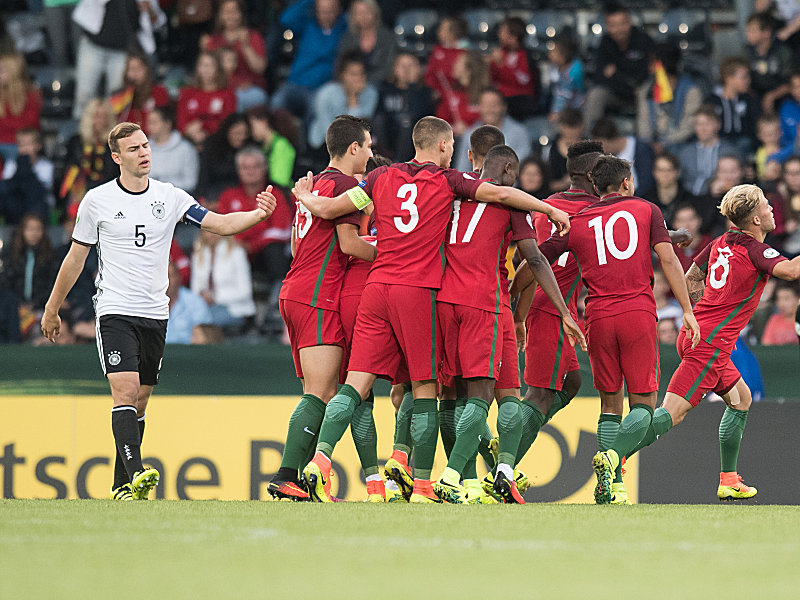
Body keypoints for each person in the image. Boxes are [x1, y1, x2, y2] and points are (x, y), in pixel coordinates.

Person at [292, 115, 571, 503]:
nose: (453, 154)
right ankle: (423, 484)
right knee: (424, 388)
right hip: (418, 291)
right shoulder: (449, 181)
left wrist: (303, 196)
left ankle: (320, 461)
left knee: (356, 382)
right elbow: (504, 196)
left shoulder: (377, 178)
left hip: (376, 287)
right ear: (443, 146)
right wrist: (550, 210)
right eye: (452, 148)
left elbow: (329, 209)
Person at [40, 121, 277, 502]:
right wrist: (52, 309)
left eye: (146, 145)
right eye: (133, 149)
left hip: (156, 312)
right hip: (115, 309)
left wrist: (257, 215)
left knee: (142, 397)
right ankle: (136, 472)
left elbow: (218, 223)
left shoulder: (170, 197)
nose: (144, 152)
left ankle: (122, 487)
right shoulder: (97, 201)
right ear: (116, 157)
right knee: (125, 389)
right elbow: (75, 259)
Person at [538, 154, 700, 505]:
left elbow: (536, 258)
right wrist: (686, 309)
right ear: (627, 182)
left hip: (597, 317)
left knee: (610, 405)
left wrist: (522, 303)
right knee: (643, 405)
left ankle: (612, 487)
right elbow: (669, 258)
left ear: (595, 188)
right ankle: (613, 462)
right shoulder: (646, 210)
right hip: (637, 314)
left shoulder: (578, 219)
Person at [621, 184, 800, 501]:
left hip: (696, 333)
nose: (772, 209)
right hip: (710, 344)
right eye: (766, 206)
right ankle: (613, 454)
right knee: (672, 413)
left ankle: (729, 479)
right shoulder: (755, 250)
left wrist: (703, 310)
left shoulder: (721, 242)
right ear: (755, 220)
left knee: (740, 398)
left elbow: (691, 277)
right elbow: (790, 270)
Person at [431, 145, 585, 505]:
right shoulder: (513, 204)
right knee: (489, 394)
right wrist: (564, 311)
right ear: (510, 169)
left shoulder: (454, 194)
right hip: (484, 302)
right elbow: (535, 260)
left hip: (445, 300)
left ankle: (497, 475)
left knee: (482, 391)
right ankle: (452, 477)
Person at [267, 115, 377, 501]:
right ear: (352, 149)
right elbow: (348, 244)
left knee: (320, 392)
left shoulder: (317, 185)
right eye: (367, 146)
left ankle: (303, 482)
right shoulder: (350, 187)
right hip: (318, 294)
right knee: (321, 392)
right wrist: (388, 254)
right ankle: (286, 475)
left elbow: (299, 246)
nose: (370, 152)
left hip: (296, 289)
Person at [511, 141, 603, 478]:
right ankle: (503, 462)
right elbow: (533, 264)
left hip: (547, 304)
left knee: (573, 382)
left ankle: (515, 437)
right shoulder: (595, 210)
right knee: (540, 393)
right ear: (594, 176)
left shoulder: (546, 206)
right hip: (552, 306)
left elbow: (532, 255)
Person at [217, 147, 294, 311]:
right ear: (238, 170)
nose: (250, 171)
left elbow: (282, 231)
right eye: (245, 167)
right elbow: (219, 226)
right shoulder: (228, 196)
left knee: (274, 249)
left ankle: (278, 298)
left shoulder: (276, 194)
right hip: (236, 252)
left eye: (256, 166)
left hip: (265, 255)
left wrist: (252, 245)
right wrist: (237, 243)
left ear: (264, 168)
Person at [71, 0, 166, 119]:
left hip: (121, 52)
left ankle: (109, 134)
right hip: (93, 46)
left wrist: (149, 10)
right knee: (84, 95)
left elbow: (158, 22)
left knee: (115, 99)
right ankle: (80, 134)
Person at [271, 0, 347, 119]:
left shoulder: (343, 28)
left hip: (321, 88)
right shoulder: (308, 24)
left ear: (338, 10)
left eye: (330, 11)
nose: (326, 15)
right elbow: (285, 19)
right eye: (322, 11)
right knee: (276, 102)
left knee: (315, 111)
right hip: (295, 84)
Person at [582, 3, 654, 129]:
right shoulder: (605, 43)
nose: (619, 29)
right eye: (614, 25)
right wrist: (626, 78)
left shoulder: (643, 40)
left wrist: (616, 73)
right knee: (595, 94)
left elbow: (645, 74)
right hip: (617, 93)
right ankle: (590, 142)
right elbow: (600, 77)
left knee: (644, 91)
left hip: (640, 92)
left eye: (623, 23)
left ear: (629, 22)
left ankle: (644, 142)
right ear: (607, 26)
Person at [201, 0, 268, 111]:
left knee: (248, 98)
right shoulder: (213, 40)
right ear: (220, 15)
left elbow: (260, 68)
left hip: (248, 91)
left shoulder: (253, 36)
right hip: (221, 90)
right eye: (226, 12)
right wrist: (204, 51)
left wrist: (246, 46)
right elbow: (206, 72)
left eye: (234, 12)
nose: (230, 16)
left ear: (241, 14)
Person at [636, 43, 703, 151]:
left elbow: (689, 126)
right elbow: (643, 123)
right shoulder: (646, 89)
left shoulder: (690, 91)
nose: (649, 67)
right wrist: (648, 143)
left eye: (653, 62)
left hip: (680, 142)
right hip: (653, 143)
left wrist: (666, 142)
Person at [0, 213, 56, 341]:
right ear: (23, 231)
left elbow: (51, 284)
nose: (34, 233)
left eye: (38, 229)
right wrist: (19, 304)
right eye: (30, 229)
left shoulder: (50, 256)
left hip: (41, 309)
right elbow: (6, 282)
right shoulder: (10, 254)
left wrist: (34, 304)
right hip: (15, 309)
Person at [373, 52, 435, 163]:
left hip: (413, 136)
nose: (407, 70)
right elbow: (379, 114)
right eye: (402, 66)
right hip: (389, 134)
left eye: (411, 66)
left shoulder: (424, 92)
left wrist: (411, 87)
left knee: (406, 122)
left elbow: (418, 113)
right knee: (378, 121)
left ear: (418, 69)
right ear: (395, 69)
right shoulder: (386, 88)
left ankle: (398, 164)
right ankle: (384, 159)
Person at [307, 53, 378, 149]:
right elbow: (327, 130)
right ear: (342, 75)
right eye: (353, 74)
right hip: (323, 143)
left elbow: (361, 127)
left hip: (356, 146)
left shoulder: (370, 93)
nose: (357, 79)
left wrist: (353, 98)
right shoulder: (326, 93)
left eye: (361, 74)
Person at [190, 228, 256, 330]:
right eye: (207, 231)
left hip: (235, 309)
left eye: (214, 230)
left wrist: (215, 298)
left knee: (203, 323)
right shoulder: (198, 255)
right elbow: (195, 289)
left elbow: (245, 292)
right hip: (206, 307)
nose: (211, 235)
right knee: (187, 320)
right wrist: (202, 298)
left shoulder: (237, 253)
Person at [58, 98, 118, 210]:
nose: (101, 120)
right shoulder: (76, 142)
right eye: (97, 116)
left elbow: (114, 174)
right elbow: (70, 171)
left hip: (106, 196)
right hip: (79, 194)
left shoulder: (114, 144)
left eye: (104, 116)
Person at [454, 88, 530, 172]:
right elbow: (462, 171)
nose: (489, 110)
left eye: (494, 105)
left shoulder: (519, 133)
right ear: (479, 107)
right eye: (486, 105)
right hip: (477, 184)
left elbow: (522, 170)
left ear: (503, 107)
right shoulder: (469, 136)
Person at [177, 50, 237, 147]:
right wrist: (189, 131)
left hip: (217, 143)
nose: (206, 69)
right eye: (202, 65)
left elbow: (227, 124)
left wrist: (204, 127)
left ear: (218, 69)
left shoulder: (227, 94)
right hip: (189, 141)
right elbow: (181, 123)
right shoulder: (187, 93)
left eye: (210, 65)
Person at [677, 105, 740, 196]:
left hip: (720, 198)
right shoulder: (685, 152)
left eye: (707, 124)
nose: (703, 128)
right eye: (699, 124)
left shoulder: (730, 150)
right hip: (689, 199)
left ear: (718, 125)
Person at [707, 57, 760, 157]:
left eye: (748, 77)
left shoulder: (749, 100)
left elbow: (756, 126)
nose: (748, 80)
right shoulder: (712, 101)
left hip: (745, 145)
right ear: (728, 78)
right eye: (744, 77)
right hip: (719, 144)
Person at [591, 117, 656, 199]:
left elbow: (647, 183)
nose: (603, 150)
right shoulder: (606, 157)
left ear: (613, 140)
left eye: (604, 146)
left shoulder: (641, 149)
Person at [336, 0, 396, 86]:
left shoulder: (387, 37)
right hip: (350, 86)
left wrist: (365, 82)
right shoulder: (347, 39)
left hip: (381, 85)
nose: (363, 16)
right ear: (353, 16)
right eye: (359, 13)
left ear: (375, 13)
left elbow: (389, 66)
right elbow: (340, 67)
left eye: (367, 12)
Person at [488, 16, 537, 121]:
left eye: (502, 32)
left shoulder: (525, 56)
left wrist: (501, 64)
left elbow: (523, 80)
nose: (499, 35)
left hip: (519, 103)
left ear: (513, 37)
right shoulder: (500, 53)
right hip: (501, 99)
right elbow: (493, 78)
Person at [196, 112, 251, 204]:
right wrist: (201, 199)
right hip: (213, 195)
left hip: (239, 198)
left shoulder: (249, 150)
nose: (241, 137)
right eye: (237, 133)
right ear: (227, 131)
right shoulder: (212, 148)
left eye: (244, 133)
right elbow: (203, 177)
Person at [745, 11, 793, 114]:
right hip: (755, 96)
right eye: (747, 30)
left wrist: (772, 96)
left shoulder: (782, 51)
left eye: (752, 31)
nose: (748, 34)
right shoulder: (747, 51)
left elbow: (790, 82)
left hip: (780, 97)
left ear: (767, 32)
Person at [109, 52, 170, 132]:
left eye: (139, 68)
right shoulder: (119, 95)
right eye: (131, 69)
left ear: (147, 70)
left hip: (153, 138)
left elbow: (164, 120)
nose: (135, 73)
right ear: (126, 72)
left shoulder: (159, 91)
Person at [147, 104, 200, 193]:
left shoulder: (185, 149)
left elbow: (191, 182)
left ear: (168, 124)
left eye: (154, 123)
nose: (149, 127)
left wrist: (164, 187)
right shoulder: (143, 148)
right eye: (149, 123)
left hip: (178, 198)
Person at [0, 52, 41, 162]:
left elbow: (28, 125)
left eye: (1, 71)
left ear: (12, 72)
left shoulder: (32, 94)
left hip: (20, 144)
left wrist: (4, 122)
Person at [435, 50, 487, 137]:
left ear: (468, 70)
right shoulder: (450, 93)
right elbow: (439, 125)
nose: (454, 64)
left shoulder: (486, 95)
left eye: (458, 62)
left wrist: (470, 129)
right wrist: (453, 128)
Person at [246, 106, 295, 188]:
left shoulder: (281, 145)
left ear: (263, 122)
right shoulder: (264, 147)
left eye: (252, 126)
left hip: (283, 195)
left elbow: (280, 180)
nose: (251, 131)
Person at [165, 261, 213, 344]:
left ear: (179, 278)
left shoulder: (195, 302)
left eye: (170, 276)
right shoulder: (149, 303)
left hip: (188, 353)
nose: (166, 281)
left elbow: (205, 337)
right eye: (162, 277)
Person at [646, 152, 697, 227]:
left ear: (677, 172)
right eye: (660, 170)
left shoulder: (690, 199)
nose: (664, 174)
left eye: (669, 170)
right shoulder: (646, 199)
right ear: (654, 172)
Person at [546, 34, 584, 121]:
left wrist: (557, 114)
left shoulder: (574, 71)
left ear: (563, 55)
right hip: (558, 104)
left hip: (575, 109)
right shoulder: (554, 67)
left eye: (553, 52)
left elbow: (566, 95)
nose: (549, 55)